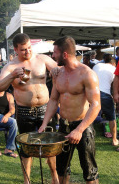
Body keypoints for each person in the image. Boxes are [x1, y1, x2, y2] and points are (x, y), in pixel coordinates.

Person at [0, 33, 59, 184]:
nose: (28, 51)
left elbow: (59, 68)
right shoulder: (11, 66)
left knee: (50, 146)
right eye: (23, 49)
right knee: (26, 149)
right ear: (16, 49)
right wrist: (12, 76)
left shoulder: (41, 59)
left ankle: (55, 177)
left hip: (45, 109)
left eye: (29, 48)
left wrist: (56, 70)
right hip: (24, 111)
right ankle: (26, 181)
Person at [38, 36, 100, 184]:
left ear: (64, 54)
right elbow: (53, 100)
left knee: (90, 172)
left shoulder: (87, 74)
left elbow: (96, 105)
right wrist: (44, 123)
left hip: (83, 128)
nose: (52, 56)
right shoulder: (58, 73)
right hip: (64, 127)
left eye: (55, 52)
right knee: (62, 169)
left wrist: (79, 130)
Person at [93, 54, 119, 146]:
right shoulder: (113, 69)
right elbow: (116, 86)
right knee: (112, 118)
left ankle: (85, 137)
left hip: (91, 93)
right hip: (104, 94)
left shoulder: (96, 66)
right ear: (114, 64)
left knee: (87, 116)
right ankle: (114, 140)